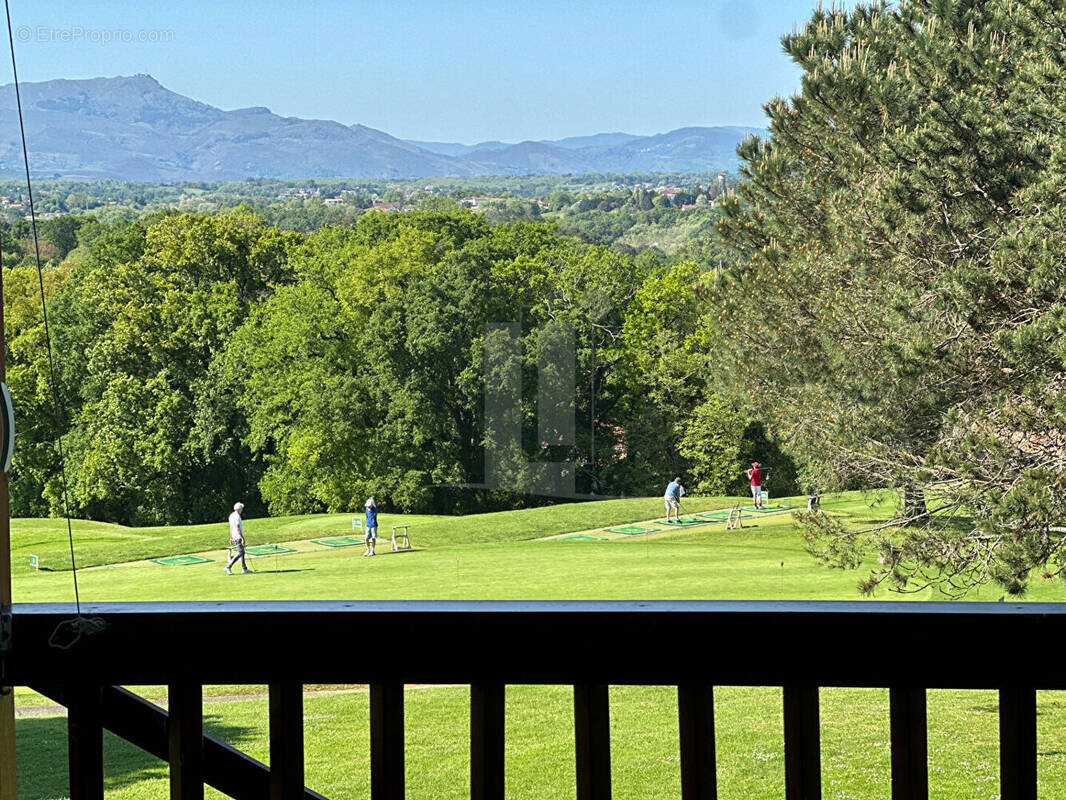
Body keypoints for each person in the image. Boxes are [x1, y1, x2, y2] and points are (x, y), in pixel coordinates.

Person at [225, 502, 253, 574]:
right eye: (241, 509)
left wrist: (231, 537)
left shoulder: (231, 516)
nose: (242, 510)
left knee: (242, 552)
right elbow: (237, 528)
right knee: (240, 552)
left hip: (234, 536)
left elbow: (231, 527)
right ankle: (228, 566)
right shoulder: (237, 517)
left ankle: (244, 568)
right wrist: (242, 538)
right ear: (239, 509)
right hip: (238, 536)